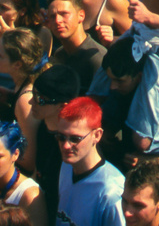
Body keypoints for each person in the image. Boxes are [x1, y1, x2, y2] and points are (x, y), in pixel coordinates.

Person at [55, 97, 126, 226]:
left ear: (97, 135)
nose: (66, 145)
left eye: (75, 139)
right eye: (61, 137)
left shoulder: (111, 191)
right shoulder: (67, 165)